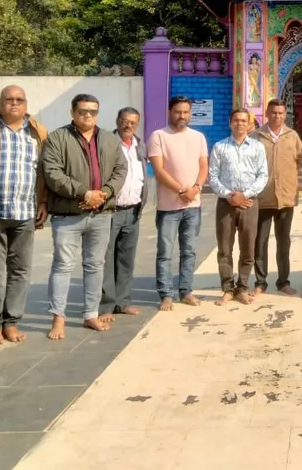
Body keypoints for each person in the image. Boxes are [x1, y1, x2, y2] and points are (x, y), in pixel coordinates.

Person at [42, 93, 128, 340]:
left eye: (92, 111)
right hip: (68, 214)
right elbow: (52, 173)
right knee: (63, 266)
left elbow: (121, 169)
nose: (87, 115)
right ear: (72, 112)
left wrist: (105, 192)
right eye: (82, 111)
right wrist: (84, 193)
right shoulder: (58, 138)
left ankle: (91, 313)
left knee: (95, 265)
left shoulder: (109, 139)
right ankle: (58, 318)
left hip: (101, 213)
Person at [0, 85, 48, 346]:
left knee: (20, 270)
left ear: (26, 104)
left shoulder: (37, 131)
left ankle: (11, 321)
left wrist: (43, 202)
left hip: (25, 212)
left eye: (19, 100)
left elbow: (43, 172)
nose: (14, 104)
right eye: (9, 99)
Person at [149, 96, 208, 309]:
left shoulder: (198, 137)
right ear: (169, 112)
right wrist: (182, 190)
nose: (181, 116)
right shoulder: (158, 136)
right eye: (177, 112)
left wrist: (196, 189)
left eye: (185, 112)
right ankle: (166, 294)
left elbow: (203, 167)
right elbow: (159, 170)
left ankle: (186, 291)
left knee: (189, 251)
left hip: (193, 206)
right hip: (168, 208)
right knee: (165, 252)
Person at [209, 108, 268, 306]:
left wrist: (246, 194)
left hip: (250, 202)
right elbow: (213, 176)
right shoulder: (220, 147)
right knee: (225, 248)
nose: (240, 124)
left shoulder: (257, 147)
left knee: (247, 248)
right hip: (226, 203)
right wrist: (229, 195)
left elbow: (263, 175)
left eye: (244, 120)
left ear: (249, 124)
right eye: (236, 120)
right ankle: (227, 288)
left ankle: (242, 287)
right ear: (230, 123)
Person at [98, 107, 147, 323]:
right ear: (117, 120)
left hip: (133, 210)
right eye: (125, 121)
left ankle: (123, 301)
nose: (129, 125)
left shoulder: (139, 144)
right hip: (111, 210)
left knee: (126, 260)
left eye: (133, 122)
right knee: (106, 259)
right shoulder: (106, 142)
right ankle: (106, 305)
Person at [252, 99, 302, 296]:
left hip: (285, 198)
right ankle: (260, 282)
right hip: (263, 197)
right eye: (273, 113)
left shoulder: (292, 137)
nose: (277, 116)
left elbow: (298, 160)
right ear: (266, 113)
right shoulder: (256, 137)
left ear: (285, 115)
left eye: (281, 113)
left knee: (284, 241)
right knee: (261, 241)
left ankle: (283, 281)